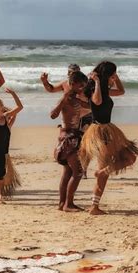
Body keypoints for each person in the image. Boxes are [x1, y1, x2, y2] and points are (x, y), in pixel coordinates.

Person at [79, 61, 138, 215]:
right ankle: (94, 206)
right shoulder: (96, 89)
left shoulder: (106, 89)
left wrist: (116, 78)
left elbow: (121, 91)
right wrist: (97, 82)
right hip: (100, 132)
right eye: (112, 73)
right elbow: (97, 101)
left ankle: (95, 203)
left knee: (129, 158)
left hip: (109, 129)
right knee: (110, 167)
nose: (114, 76)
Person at [41, 64, 92, 177]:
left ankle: (84, 169)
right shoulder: (65, 84)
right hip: (70, 118)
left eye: (74, 73)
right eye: (70, 73)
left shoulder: (84, 85)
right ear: (68, 74)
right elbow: (52, 89)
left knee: (85, 144)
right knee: (70, 144)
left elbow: (92, 101)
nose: (72, 75)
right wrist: (45, 82)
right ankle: (70, 165)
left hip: (85, 116)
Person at [50, 71, 91, 212]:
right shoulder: (66, 99)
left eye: (84, 86)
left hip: (72, 136)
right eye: (80, 86)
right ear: (72, 84)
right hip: (68, 138)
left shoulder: (77, 99)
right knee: (78, 172)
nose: (82, 89)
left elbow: (92, 107)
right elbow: (52, 115)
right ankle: (69, 204)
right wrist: (62, 102)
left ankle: (62, 203)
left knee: (68, 172)